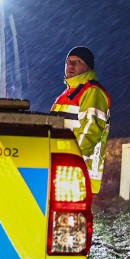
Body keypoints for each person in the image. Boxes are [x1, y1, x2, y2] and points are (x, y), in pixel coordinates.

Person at [53, 46, 111, 194]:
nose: (71, 66)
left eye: (77, 61)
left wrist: (74, 161)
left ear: (88, 67)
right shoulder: (69, 93)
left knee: (74, 215)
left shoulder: (92, 91)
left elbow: (91, 130)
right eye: (68, 61)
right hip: (64, 166)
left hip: (78, 169)